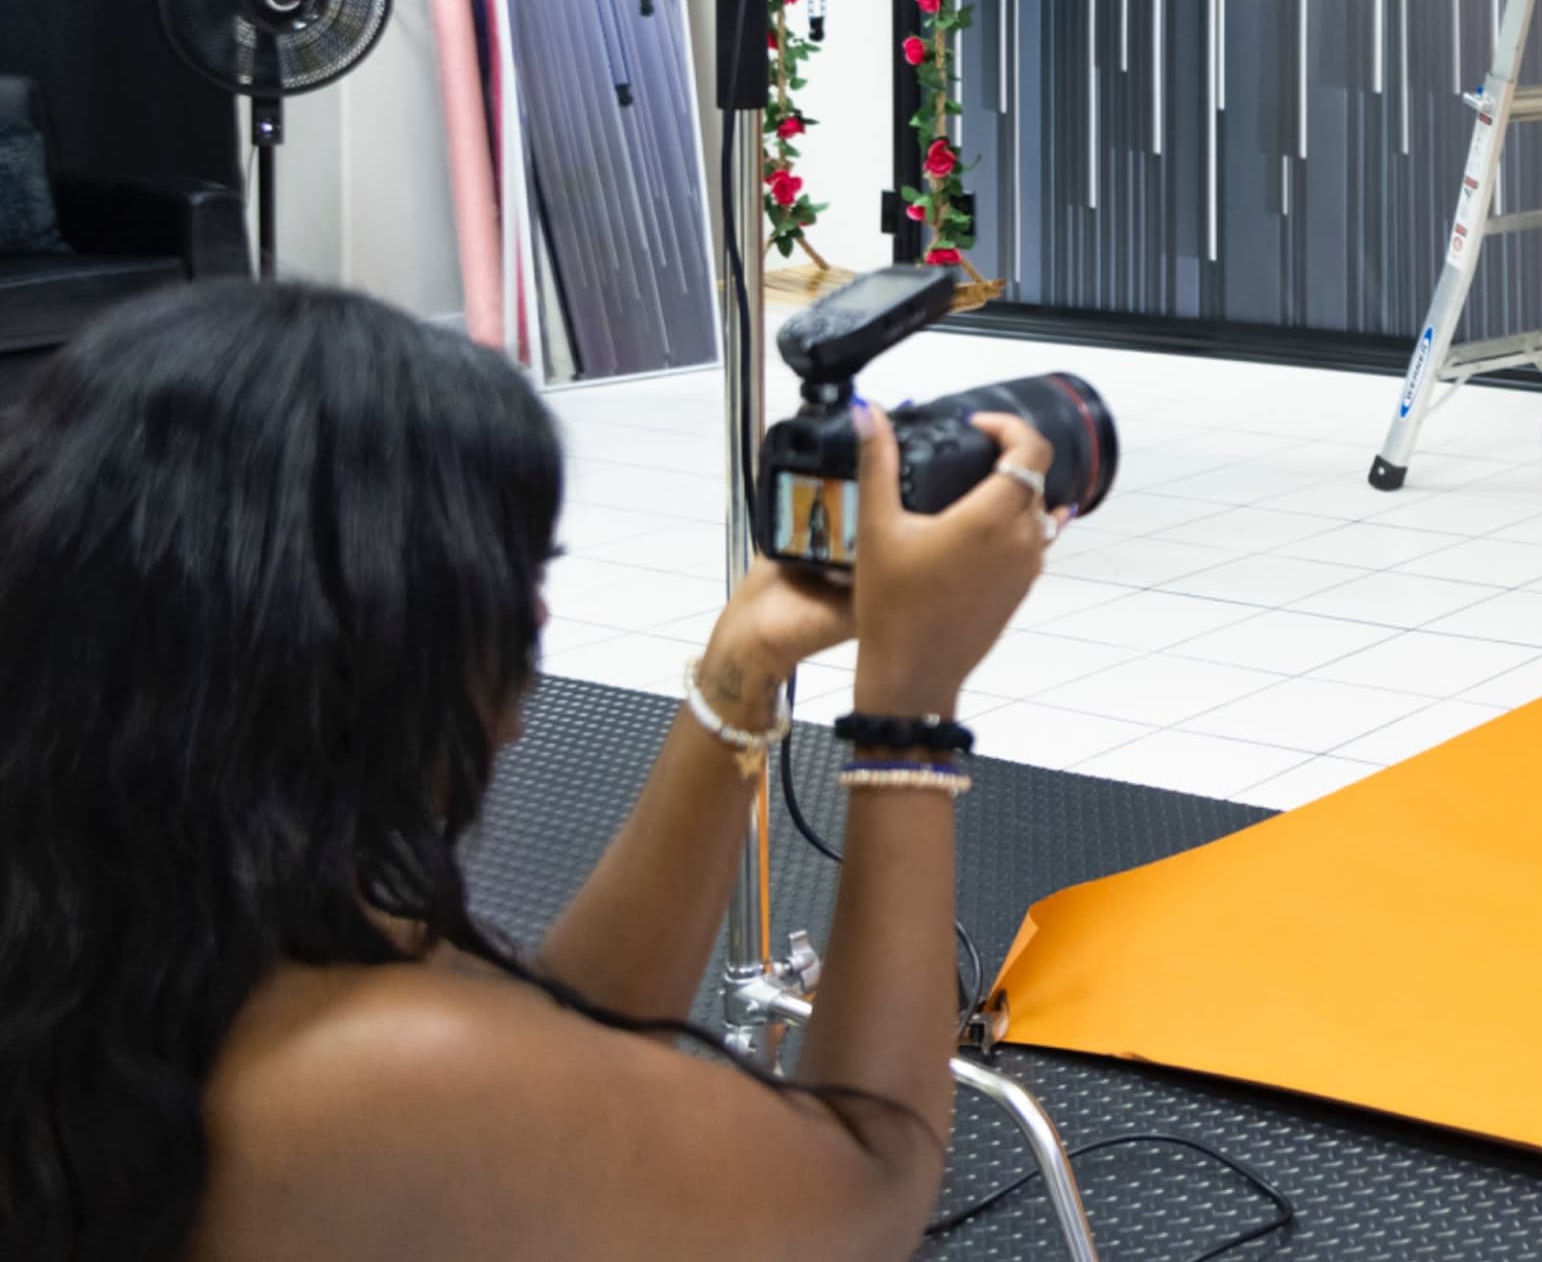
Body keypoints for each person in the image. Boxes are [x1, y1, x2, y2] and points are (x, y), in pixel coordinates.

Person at [0, 277, 1059, 1262]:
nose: (537, 618)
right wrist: (909, 714)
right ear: (367, 641)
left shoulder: (135, 912)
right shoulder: (383, 1074)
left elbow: (556, 1038)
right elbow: (871, 1186)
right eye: (508, 578)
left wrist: (743, 666)